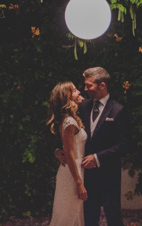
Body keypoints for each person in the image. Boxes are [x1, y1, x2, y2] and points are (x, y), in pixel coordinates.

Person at [79, 67, 127, 226]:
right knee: (89, 216)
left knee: (113, 215)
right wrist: (59, 150)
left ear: (102, 85)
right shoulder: (83, 107)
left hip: (108, 173)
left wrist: (97, 158)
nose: (85, 89)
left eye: (89, 85)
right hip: (87, 174)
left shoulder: (118, 110)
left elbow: (124, 145)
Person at [46, 81, 88, 226]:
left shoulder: (71, 118)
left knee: (73, 214)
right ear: (67, 97)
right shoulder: (69, 121)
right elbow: (69, 153)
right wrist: (78, 183)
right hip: (72, 173)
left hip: (75, 169)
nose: (79, 92)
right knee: (69, 216)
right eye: (75, 90)